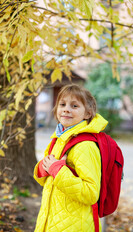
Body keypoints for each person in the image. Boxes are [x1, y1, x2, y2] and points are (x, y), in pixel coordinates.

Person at [33, 84, 108, 232]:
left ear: (87, 113)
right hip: (53, 220)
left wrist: (58, 171)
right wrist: (44, 168)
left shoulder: (85, 146)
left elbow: (91, 193)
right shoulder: (59, 139)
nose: (66, 109)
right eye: (62, 104)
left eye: (74, 106)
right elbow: (46, 178)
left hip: (74, 225)